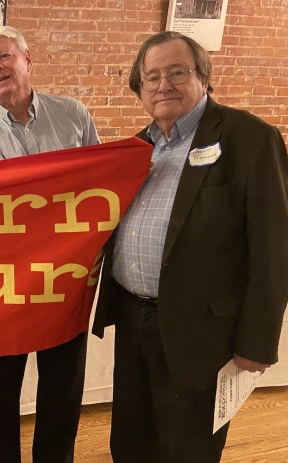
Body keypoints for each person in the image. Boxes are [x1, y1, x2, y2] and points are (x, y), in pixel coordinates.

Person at [92, 31, 288, 463]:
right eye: (152, 77)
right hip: (132, 319)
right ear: (139, 89)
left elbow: (274, 252)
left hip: (202, 332)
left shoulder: (250, 140)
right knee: (130, 441)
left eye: (176, 72)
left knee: (188, 448)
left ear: (203, 77)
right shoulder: (136, 150)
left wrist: (257, 343)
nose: (164, 85)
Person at [0, 25, 100, 463]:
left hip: (65, 274)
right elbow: (14, 199)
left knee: (63, 386)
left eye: (3, 57)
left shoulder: (73, 114)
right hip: (6, 280)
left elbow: (98, 182)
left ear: (26, 58)